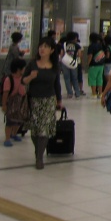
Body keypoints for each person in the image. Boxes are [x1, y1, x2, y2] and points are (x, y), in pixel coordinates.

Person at [21, 37, 63, 170]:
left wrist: (59, 100)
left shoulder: (55, 66)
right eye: (40, 46)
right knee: (35, 130)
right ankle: (38, 150)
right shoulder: (32, 64)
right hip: (34, 100)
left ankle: (39, 157)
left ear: (51, 50)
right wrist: (31, 77)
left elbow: (57, 84)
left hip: (49, 100)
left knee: (44, 130)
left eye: (45, 47)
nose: (42, 49)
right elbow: (23, 81)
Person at [0, 58, 28, 146]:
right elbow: (5, 93)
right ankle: (7, 138)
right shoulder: (9, 79)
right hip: (11, 103)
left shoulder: (23, 78)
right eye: (24, 67)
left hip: (21, 102)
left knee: (19, 121)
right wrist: (4, 105)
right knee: (10, 122)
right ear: (19, 69)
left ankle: (14, 134)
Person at [60, 31, 83, 99]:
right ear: (75, 38)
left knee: (67, 78)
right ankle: (77, 93)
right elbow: (79, 54)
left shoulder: (64, 44)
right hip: (73, 63)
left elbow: (62, 53)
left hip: (65, 63)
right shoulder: (77, 45)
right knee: (74, 78)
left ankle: (69, 93)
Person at [86, 32, 106, 98]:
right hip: (101, 64)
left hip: (93, 65)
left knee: (93, 79)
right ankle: (100, 93)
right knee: (99, 79)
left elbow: (90, 55)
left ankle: (94, 93)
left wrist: (88, 63)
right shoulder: (100, 45)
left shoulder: (91, 46)